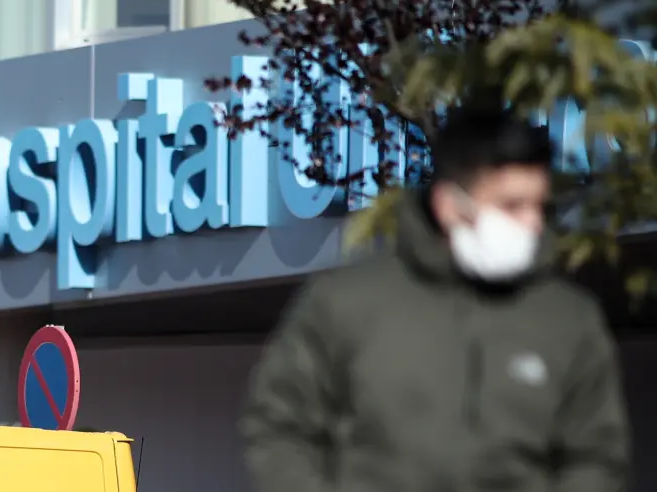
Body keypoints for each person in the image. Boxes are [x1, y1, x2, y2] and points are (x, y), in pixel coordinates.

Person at [240, 103, 630, 492]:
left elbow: (598, 456)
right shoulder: (346, 304)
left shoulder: (566, 318)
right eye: (511, 205)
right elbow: (280, 428)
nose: (531, 222)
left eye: (538, 206)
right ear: (449, 205)